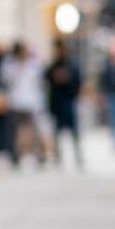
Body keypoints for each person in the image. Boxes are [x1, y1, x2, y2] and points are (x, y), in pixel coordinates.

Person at [0, 41, 49, 167]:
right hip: (15, 102)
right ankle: (14, 156)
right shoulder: (9, 64)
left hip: (31, 102)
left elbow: (40, 80)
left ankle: (40, 155)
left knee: (35, 130)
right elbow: (5, 80)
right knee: (14, 131)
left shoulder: (33, 64)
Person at [45, 39, 84, 168]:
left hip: (68, 102)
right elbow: (47, 79)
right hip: (57, 104)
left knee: (74, 132)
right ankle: (58, 157)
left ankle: (78, 156)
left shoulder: (71, 65)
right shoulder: (52, 66)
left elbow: (77, 82)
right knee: (57, 132)